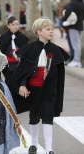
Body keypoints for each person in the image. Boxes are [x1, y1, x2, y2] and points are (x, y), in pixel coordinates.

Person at [13, 17, 69, 154]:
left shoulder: (55, 50)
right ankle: (34, 144)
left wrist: (50, 75)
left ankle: (49, 148)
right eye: (48, 29)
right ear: (39, 32)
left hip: (49, 89)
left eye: (52, 29)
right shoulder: (29, 49)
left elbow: (59, 74)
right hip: (33, 88)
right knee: (34, 116)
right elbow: (23, 72)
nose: (51, 31)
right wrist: (22, 85)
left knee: (48, 116)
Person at [0, 16, 29, 113]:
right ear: (8, 25)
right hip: (8, 63)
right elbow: (1, 51)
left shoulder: (22, 37)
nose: (15, 27)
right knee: (10, 81)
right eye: (13, 25)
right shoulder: (3, 38)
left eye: (17, 24)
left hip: (19, 62)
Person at [63, 0, 84, 67]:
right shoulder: (82, 3)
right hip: (80, 26)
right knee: (77, 43)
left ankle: (76, 61)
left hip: (73, 26)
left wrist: (65, 20)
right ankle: (77, 60)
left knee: (75, 44)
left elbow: (67, 12)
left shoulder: (72, 4)